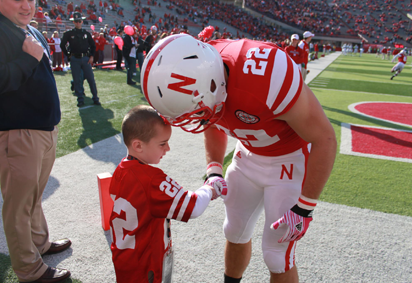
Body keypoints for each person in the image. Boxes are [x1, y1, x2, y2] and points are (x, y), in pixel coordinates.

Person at [141, 34, 337, 283]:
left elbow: (325, 139)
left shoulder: (267, 73)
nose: (194, 118)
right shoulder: (206, 75)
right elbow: (210, 119)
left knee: (276, 255)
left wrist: (305, 207)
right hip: (247, 156)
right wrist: (214, 168)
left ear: (213, 85)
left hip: (290, 160)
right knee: (234, 231)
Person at [110, 105, 226, 283]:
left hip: (125, 258)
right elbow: (192, 206)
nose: (168, 148)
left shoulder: (121, 169)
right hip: (145, 264)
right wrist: (211, 188)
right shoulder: (151, 180)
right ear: (138, 145)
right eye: (162, 144)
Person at [0, 0, 72, 282]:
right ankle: (29, 270)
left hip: (41, 129)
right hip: (17, 132)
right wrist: (28, 59)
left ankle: (39, 244)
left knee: (33, 197)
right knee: (18, 205)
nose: (26, 4)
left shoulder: (28, 28)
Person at [60, 12, 101, 107]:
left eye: (79, 21)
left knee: (91, 79)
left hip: (85, 58)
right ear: (73, 22)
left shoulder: (86, 33)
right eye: (76, 21)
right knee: (77, 80)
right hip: (75, 59)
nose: (78, 23)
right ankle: (80, 99)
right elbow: (62, 45)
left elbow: (93, 46)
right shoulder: (69, 34)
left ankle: (95, 98)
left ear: (82, 21)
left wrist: (91, 56)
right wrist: (68, 55)